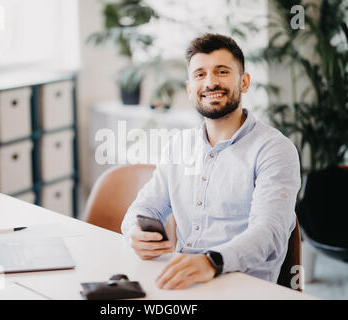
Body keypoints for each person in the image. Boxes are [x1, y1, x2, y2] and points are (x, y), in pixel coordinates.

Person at [121, 33, 301, 290]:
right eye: (200, 75)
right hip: (182, 281)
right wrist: (134, 232)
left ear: (245, 82)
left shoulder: (274, 149)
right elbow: (143, 208)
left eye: (222, 71)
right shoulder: (179, 145)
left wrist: (212, 261)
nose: (211, 82)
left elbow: (268, 233)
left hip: (244, 287)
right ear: (189, 88)